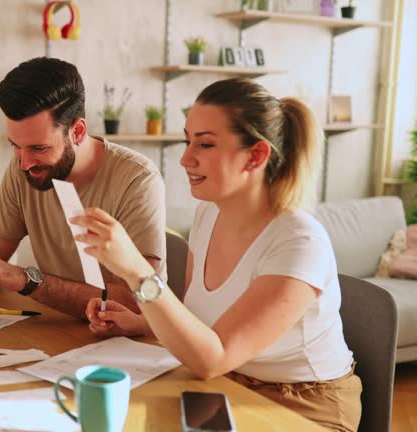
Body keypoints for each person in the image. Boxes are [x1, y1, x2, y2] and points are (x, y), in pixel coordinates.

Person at [72, 77, 361, 431]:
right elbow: (202, 323)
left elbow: (214, 356)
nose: (185, 158)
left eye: (205, 145)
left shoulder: (299, 243)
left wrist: (136, 271)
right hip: (227, 382)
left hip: (304, 405)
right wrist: (140, 322)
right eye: (187, 140)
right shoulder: (209, 213)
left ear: (256, 155)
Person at [0, 56, 166, 319]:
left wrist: (27, 280)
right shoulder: (24, 169)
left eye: (39, 148)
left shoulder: (137, 180)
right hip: (56, 333)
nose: (25, 164)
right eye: (15, 146)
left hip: (127, 347)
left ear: (77, 132)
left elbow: (138, 303)